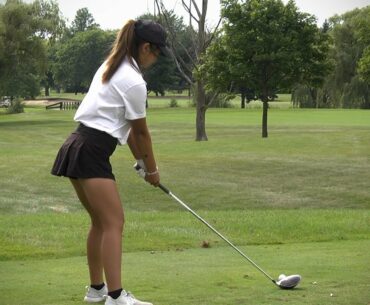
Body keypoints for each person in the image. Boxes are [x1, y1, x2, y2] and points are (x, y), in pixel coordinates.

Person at [51, 19, 170, 305]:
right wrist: (152, 170)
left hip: (76, 145)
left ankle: (96, 290)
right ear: (145, 47)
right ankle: (116, 297)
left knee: (101, 222)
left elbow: (126, 128)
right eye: (156, 53)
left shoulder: (111, 65)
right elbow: (141, 132)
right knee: (114, 222)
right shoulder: (133, 81)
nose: (156, 59)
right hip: (91, 150)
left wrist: (140, 162)